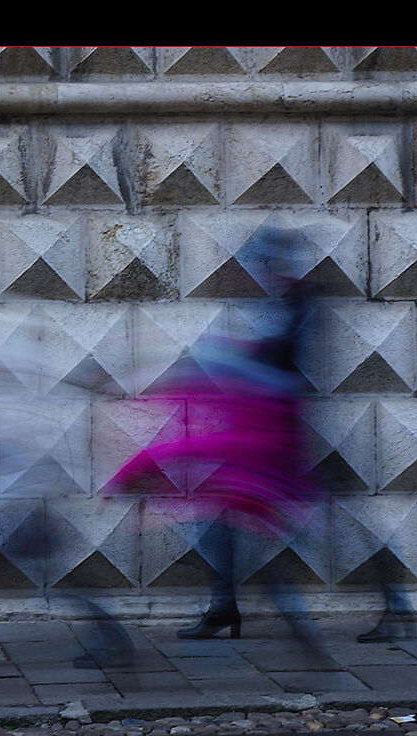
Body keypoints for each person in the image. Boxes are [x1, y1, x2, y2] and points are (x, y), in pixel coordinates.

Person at [107, 223, 330, 665]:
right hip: (263, 443)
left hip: (273, 444)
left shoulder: (301, 305)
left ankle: (317, 626)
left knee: (263, 545)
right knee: (226, 532)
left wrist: (128, 475)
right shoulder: (286, 307)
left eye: (266, 263)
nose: (260, 274)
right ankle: (229, 609)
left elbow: (283, 365)